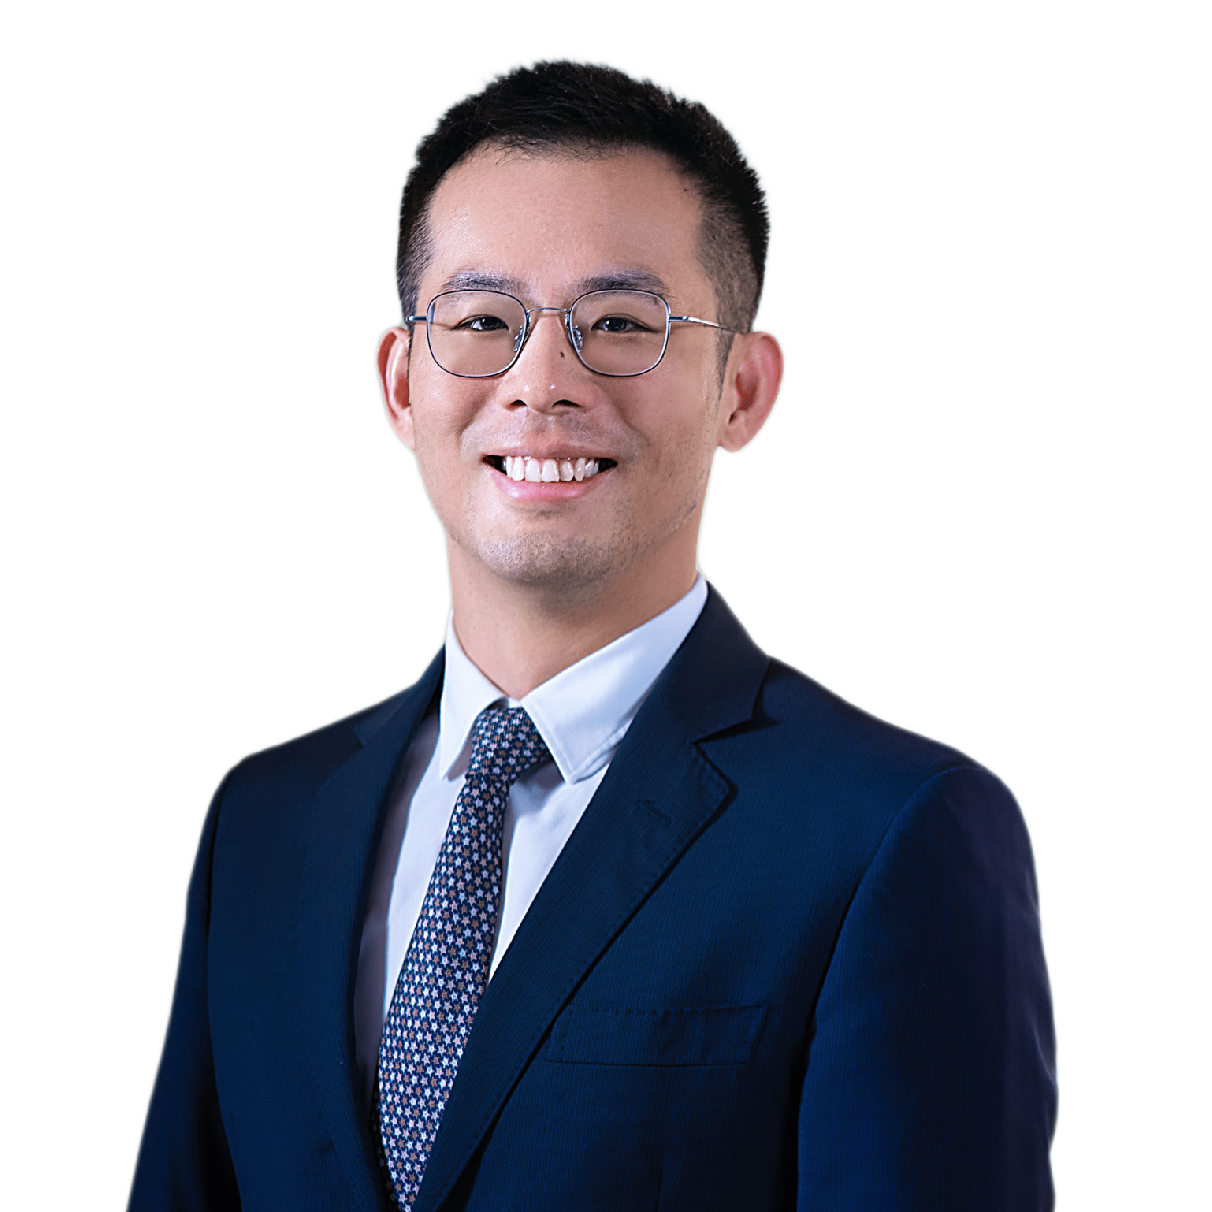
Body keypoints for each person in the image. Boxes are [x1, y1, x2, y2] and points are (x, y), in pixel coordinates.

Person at [127, 55, 1059, 1211]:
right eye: (483, 320)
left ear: (743, 389)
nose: (542, 382)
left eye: (620, 323)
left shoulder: (894, 830)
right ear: (401, 383)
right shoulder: (265, 820)